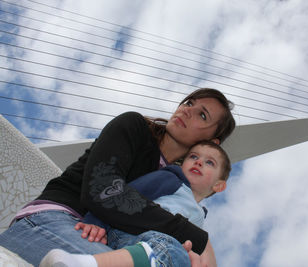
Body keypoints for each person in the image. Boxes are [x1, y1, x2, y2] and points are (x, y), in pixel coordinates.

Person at [0, 88, 236, 266]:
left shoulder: (181, 189)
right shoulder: (133, 127)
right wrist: (196, 236)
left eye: (202, 115)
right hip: (50, 223)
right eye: (189, 102)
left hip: (108, 245)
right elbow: (104, 192)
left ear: (211, 142)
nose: (187, 110)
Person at [39, 140, 231, 267]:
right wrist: (95, 220)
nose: (198, 162)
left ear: (219, 185)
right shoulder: (172, 180)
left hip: (152, 250)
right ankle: (81, 264)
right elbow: (125, 194)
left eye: (209, 163)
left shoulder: (199, 216)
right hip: (129, 233)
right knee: (170, 249)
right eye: (193, 157)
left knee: (179, 257)